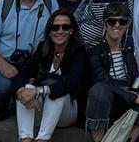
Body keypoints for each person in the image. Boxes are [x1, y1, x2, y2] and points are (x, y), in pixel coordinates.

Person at [86, 3, 139, 142]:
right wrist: (137, 98)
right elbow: (104, 82)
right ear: (105, 24)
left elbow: (134, 77)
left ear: (127, 25)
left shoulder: (129, 46)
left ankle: (130, 138)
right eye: (112, 21)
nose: (117, 25)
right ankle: (101, 140)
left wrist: (136, 94)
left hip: (129, 96)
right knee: (99, 90)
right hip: (109, 100)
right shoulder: (95, 52)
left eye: (122, 21)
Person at [12, 9, 88, 142]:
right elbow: (22, 74)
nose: (60, 31)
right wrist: (22, 92)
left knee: (55, 90)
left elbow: (72, 82)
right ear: (49, 31)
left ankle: (43, 139)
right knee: (26, 88)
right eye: (55, 27)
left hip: (67, 112)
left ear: (71, 31)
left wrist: (38, 91)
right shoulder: (43, 48)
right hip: (41, 109)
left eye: (65, 27)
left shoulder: (78, 51)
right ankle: (25, 138)